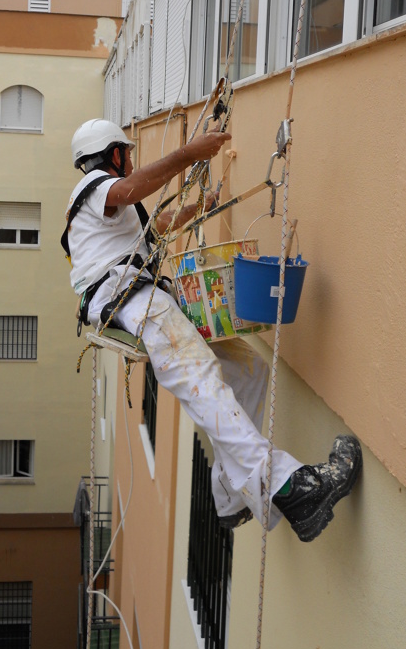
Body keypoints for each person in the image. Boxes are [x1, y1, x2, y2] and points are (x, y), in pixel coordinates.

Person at [64, 118, 362, 540]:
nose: (131, 161)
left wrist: (198, 208)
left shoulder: (111, 210)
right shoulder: (93, 187)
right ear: (114, 154)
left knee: (246, 371)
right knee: (200, 377)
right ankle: (292, 487)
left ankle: (230, 493)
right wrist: (189, 154)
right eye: (127, 153)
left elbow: (155, 226)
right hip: (130, 300)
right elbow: (127, 190)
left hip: (136, 298)